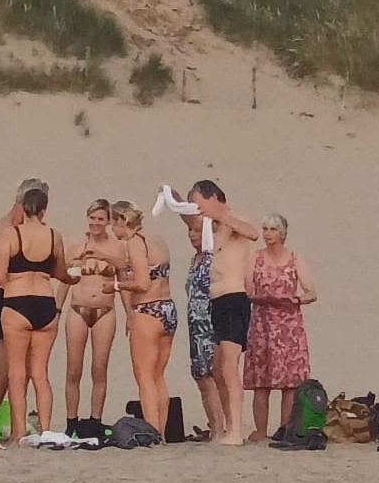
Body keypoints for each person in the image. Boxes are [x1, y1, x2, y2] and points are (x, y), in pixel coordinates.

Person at [0, 187, 80, 444]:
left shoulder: (11, 234)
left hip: (17, 302)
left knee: (17, 373)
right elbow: (61, 273)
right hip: (45, 302)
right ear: (44, 210)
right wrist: (74, 278)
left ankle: (19, 431)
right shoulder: (54, 235)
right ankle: (46, 429)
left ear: (23, 208)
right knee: (41, 373)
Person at [183, 180, 260, 446]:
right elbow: (190, 222)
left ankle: (236, 429)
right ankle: (229, 426)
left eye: (199, 203)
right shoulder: (211, 227)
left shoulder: (232, 219)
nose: (197, 209)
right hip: (216, 301)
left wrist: (222, 216)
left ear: (213, 197)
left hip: (234, 298)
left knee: (229, 365)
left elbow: (253, 233)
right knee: (217, 369)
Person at [101, 201, 176, 434]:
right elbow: (145, 268)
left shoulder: (135, 243)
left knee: (144, 376)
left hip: (147, 310)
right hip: (167, 308)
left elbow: (142, 283)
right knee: (158, 376)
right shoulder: (155, 239)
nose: (113, 230)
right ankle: (161, 432)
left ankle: (152, 430)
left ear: (121, 221)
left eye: (113, 224)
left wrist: (116, 286)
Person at [0, 178, 47, 435]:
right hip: (6, 297)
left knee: (16, 369)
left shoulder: (6, 225)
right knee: (10, 367)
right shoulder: (11, 227)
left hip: (10, 297)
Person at [244, 213, 317, 441]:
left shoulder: (294, 258)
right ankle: (261, 430)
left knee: (289, 383)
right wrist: (261, 297)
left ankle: (284, 429)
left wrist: (294, 300)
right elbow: (248, 290)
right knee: (261, 382)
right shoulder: (255, 258)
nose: (268, 234)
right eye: (265, 229)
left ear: (282, 233)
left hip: (288, 327)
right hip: (263, 325)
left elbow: (311, 292)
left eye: (273, 229)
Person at [56, 199, 122, 429]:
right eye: (92, 218)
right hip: (78, 309)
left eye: (101, 219)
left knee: (99, 368)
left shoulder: (116, 246)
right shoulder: (77, 245)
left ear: (109, 221)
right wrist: (57, 309)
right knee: (74, 368)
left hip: (105, 310)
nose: (96, 223)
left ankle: (95, 420)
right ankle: (71, 421)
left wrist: (130, 314)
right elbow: (66, 280)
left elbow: (123, 278)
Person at [184, 217, 224, 439]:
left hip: (209, 324)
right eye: (190, 230)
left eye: (197, 231)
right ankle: (214, 424)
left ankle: (219, 427)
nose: (192, 234)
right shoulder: (195, 260)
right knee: (200, 375)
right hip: (195, 326)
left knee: (211, 376)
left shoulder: (211, 259)